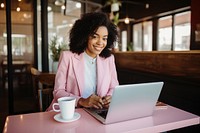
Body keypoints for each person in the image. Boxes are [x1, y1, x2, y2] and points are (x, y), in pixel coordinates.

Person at [47, 12, 119, 111]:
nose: (100, 42)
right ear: (85, 37)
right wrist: (81, 101)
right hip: (71, 112)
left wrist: (110, 98)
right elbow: (58, 91)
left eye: (104, 38)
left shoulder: (109, 59)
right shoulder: (68, 57)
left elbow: (114, 88)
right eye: (94, 37)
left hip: (98, 112)